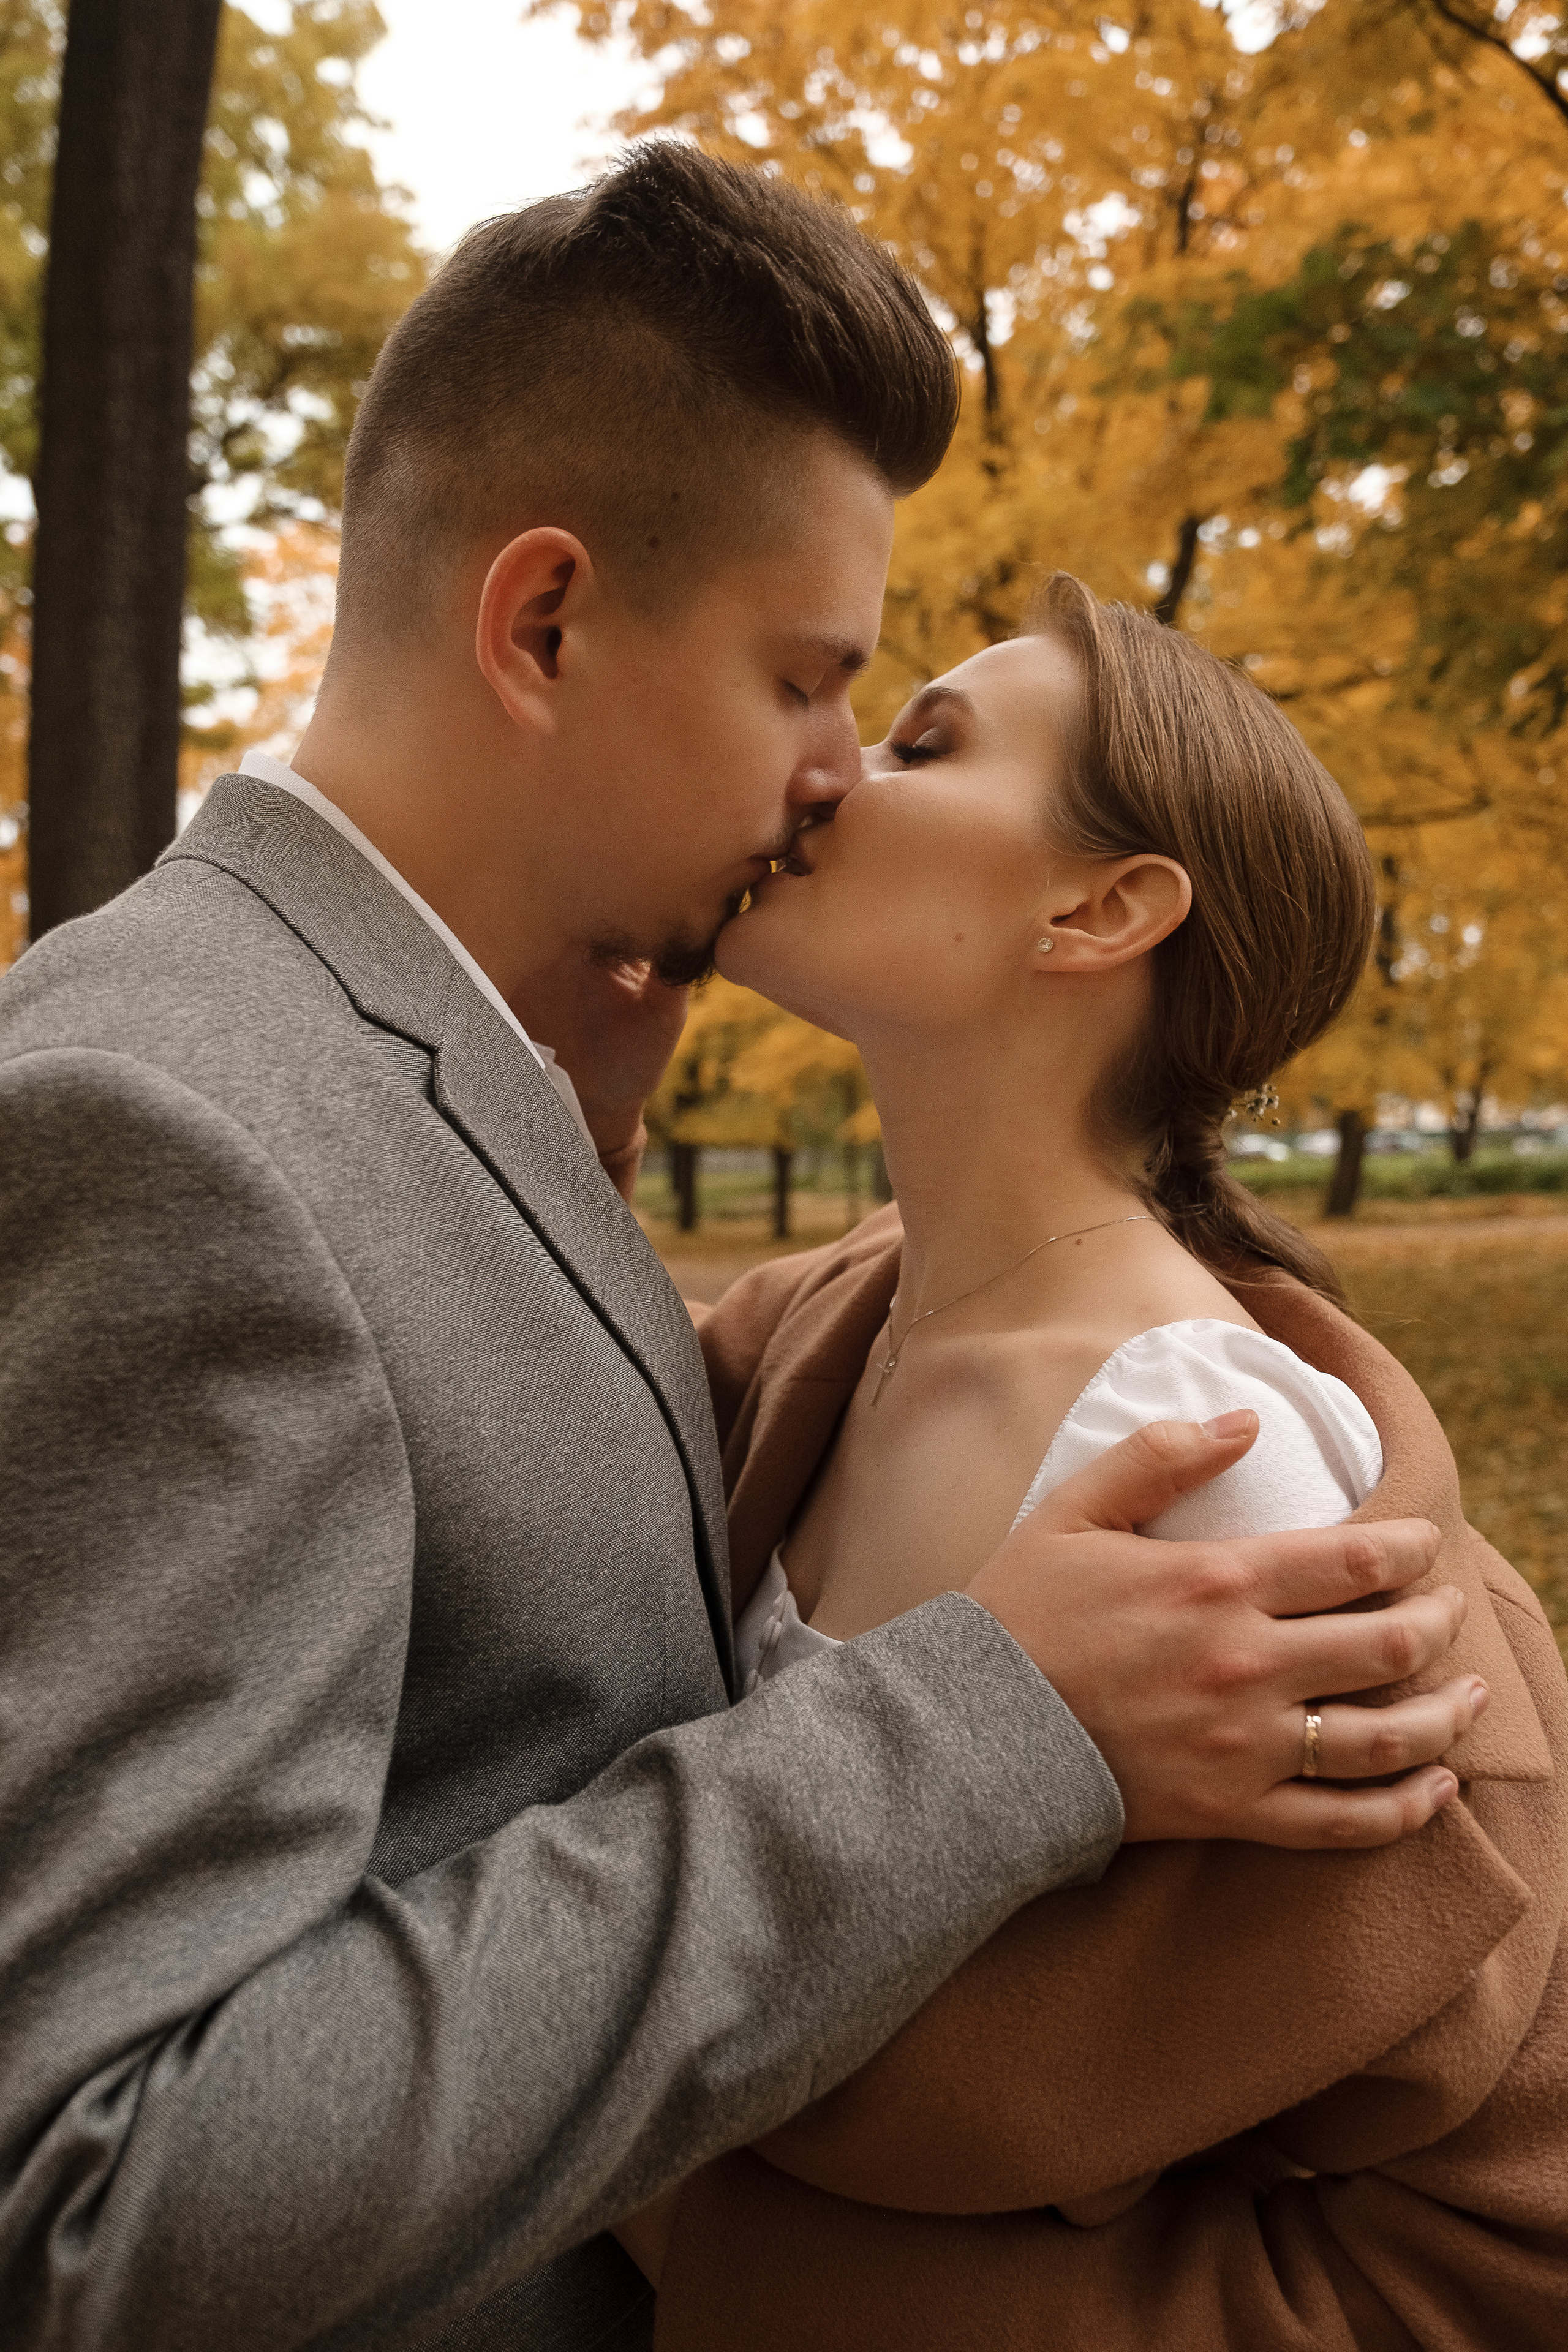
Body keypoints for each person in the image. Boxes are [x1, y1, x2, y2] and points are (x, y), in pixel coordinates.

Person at [0, 153, 1474, 2352]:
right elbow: (112, 2203)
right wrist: (982, 1729)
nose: (823, 781)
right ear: (546, 626)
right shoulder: (173, 1123)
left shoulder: (437, 1075)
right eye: (813, 684)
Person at [625, 579, 1568, 2346]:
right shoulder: (828, 1329)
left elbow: (1472, 2202)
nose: (831, 769)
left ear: (1102, 906)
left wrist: (741, 2245)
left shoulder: (1201, 1467)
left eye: (927, 744)